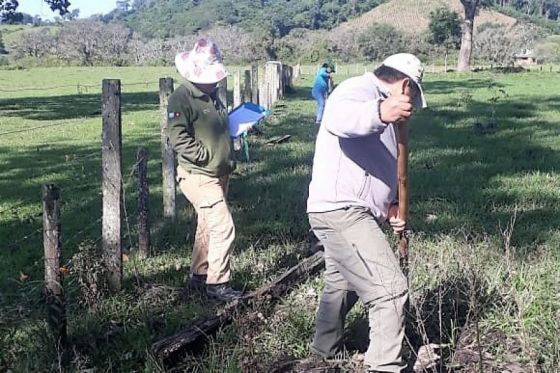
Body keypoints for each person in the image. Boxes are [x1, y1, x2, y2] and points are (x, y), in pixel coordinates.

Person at [306, 53, 427, 372]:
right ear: (405, 85)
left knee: (342, 283)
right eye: (414, 94)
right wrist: (381, 111)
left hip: (349, 208)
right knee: (390, 291)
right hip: (341, 210)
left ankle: (322, 352)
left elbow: (376, 165)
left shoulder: (381, 108)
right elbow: (340, 119)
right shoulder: (357, 90)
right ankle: (383, 366)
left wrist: (389, 207)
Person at [167, 38, 242, 302]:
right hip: (199, 175)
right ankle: (218, 285)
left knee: (207, 226)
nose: (216, 82)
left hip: (219, 173)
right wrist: (204, 156)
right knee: (223, 227)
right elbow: (176, 136)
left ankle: (199, 276)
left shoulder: (212, 96)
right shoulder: (181, 98)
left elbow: (217, 128)